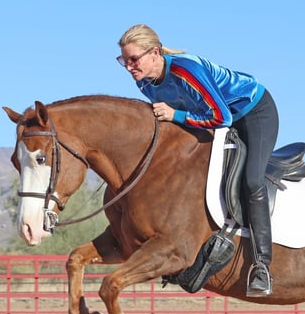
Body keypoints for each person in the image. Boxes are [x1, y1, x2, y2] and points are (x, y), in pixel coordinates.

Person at [117, 24, 279, 297]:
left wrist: (176, 116)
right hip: (213, 119)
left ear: (155, 53)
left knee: (251, 181)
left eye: (134, 59)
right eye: (124, 61)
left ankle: (262, 266)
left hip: (251, 112)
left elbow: (222, 118)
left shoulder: (185, 71)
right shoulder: (144, 82)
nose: (129, 67)